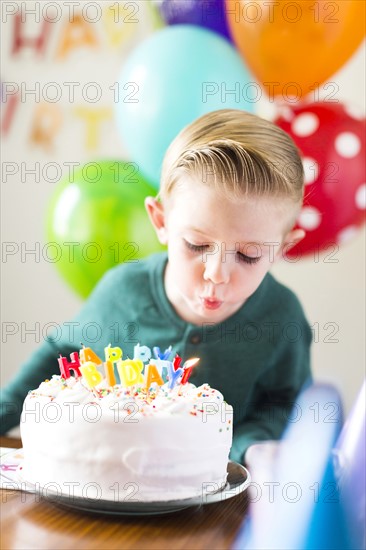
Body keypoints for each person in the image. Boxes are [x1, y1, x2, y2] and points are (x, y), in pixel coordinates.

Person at [0, 109, 312, 464]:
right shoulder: (124, 292)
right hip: (109, 479)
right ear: (160, 222)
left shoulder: (282, 317)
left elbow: (285, 403)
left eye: (248, 255)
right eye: (196, 245)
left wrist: (251, 446)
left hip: (219, 502)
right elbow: (63, 352)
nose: (216, 273)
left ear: (283, 248)